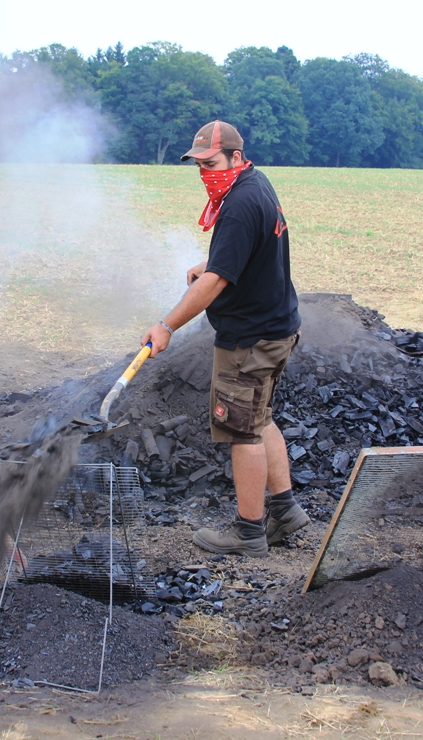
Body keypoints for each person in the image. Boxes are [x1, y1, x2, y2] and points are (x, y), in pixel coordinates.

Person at [140, 120, 309, 558]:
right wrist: (215, 260)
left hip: (249, 340)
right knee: (260, 416)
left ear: (236, 156)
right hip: (277, 328)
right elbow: (239, 255)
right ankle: (285, 511)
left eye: (212, 163)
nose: (205, 173)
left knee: (242, 432)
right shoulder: (256, 183)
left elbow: (215, 282)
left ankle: (249, 533)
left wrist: (167, 324)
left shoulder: (238, 203)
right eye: (198, 166)